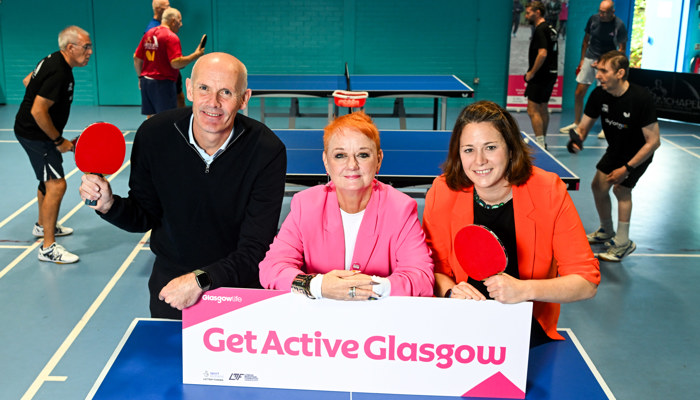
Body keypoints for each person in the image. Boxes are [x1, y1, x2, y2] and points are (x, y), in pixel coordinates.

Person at [79, 53, 287, 319]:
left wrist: (201, 280)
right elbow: (145, 214)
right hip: (172, 283)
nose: (213, 103)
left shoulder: (266, 151)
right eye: (204, 88)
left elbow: (255, 248)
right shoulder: (154, 135)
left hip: (238, 282)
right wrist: (110, 205)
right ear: (189, 88)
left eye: (226, 92)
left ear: (244, 99)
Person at [423, 100, 600, 347]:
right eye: (468, 150)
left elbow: (586, 282)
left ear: (510, 148)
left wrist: (524, 290)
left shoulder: (548, 191)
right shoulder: (443, 192)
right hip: (459, 323)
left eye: (491, 147)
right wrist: (451, 291)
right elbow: (433, 268)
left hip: (526, 327)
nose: (479, 161)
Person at [259, 112, 434, 300]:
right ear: (326, 161)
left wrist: (369, 288)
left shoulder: (401, 209)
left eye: (363, 155)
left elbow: (422, 279)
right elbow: (271, 269)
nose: (352, 165)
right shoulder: (305, 205)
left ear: (379, 160)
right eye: (340, 155)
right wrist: (319, 286)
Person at [568, 51, 660, 262]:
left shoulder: (640, 98)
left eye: (603, 70)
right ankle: (606, 231)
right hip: (616, 149)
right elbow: (584, 126)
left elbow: (653, 141)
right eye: (598, 70)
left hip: (638, 153)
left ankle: (622, 242)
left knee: (621, 189)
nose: (598, 75)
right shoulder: (599, 94)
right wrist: (577, 138)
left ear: (619, 73)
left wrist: (626, 169)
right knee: (598, 186)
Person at [15, 26, 93, 264]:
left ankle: (42, 225)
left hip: (31, 131)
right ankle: (47, 248)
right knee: (56, 185)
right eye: (86, 47)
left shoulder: (53, 59)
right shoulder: (59, 71)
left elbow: (28, 80)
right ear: (71, 48)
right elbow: (38, 110)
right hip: (38, 135)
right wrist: (58, 140)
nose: (90, 52)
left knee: (46, 181)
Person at [560, 0, 627, 138]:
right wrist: (582, 60)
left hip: (607, 63)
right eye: (600, 11)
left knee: (606, 96)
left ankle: (607, 127)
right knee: (579, 92)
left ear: (612, 12)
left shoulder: (619, 25)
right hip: (590, 57)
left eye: (605, 12)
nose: (601, 14)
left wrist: (614, 67)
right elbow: (586, 41)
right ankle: (577, 123)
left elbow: (622, 49)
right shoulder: (593, 19)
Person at [134, 7, 205, 118]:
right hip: (163, 84)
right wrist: (196, 55)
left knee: (151, 117)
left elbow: (136, 58)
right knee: (167, 118)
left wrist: (140, 78)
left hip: (146, 82)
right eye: (179, 21)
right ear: (173, 21)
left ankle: (151, 135)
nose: (181, 24)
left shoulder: (148, 34)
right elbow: (175, 63)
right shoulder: (171, 37)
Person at [524, 1, 558, 149]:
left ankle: (540, 145)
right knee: (543, 107)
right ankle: (542, 142)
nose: (526, 16)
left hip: (541, 75)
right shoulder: (551, 29)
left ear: (537, 12)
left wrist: (531, 72)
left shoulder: (540, 30)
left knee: (532, 109)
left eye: (528, 13)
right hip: (551, 74)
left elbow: (542, 53)